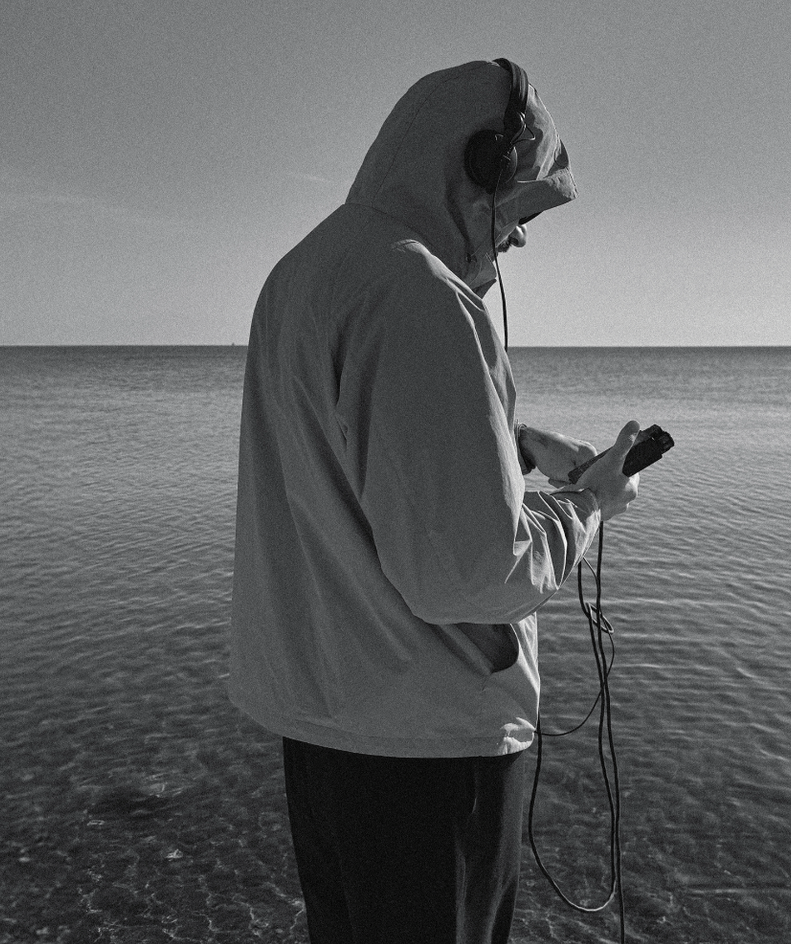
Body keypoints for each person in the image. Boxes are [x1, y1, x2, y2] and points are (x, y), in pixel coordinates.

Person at [227, 59, 644, 944]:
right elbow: (473, 575)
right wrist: (590, 505)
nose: (520, 238)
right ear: (480, 164)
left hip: (324, 735)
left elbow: (353, 453)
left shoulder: (300, 273)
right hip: (426, 757)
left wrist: (517, 445)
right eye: (521, 207)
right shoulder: (422, 296)